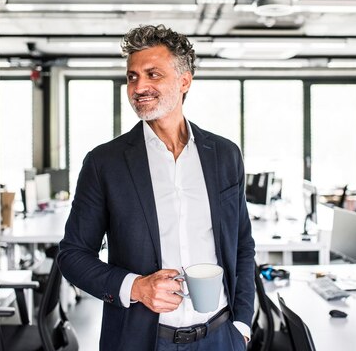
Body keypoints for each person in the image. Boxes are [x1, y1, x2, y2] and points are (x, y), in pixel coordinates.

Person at [58, 24, 255, 351]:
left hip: (222, 336)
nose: (138, 86)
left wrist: (242, 324)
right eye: (132, 76)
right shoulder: (104, 162)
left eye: (153, 74)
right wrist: (135, 287)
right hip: (142, 340)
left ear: (184, 81)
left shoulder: (224, 155)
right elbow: (73, 255)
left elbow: (242, 245)